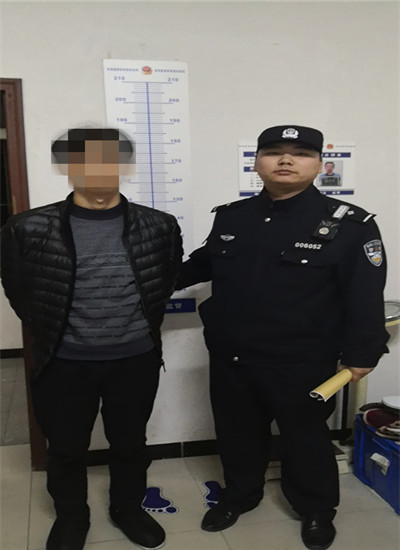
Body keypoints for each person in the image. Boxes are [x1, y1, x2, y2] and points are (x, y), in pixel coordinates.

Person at [175, 125, 389, 550]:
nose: (286, 160)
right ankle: (240, 497)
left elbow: (365, 294)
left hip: (302, 358)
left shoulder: (350, 224)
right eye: (274, 152)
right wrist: (138, 280)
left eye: (300, 153)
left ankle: (316, 509)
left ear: (320, 165)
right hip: (233, 353)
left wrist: (362, 352)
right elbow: (203, 264)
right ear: (257, 163)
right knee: (237, 433)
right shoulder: (232, 216)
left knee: (305, 438)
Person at [1, 127, 182, 550]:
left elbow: (164, 280)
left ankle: (127, 509)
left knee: (130, 444)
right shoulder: (26, 227)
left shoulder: (159, 226)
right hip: (63, 362)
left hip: (135, 359)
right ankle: (71, 517)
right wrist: (56, 334)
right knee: (65, 449)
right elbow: (19, 290)